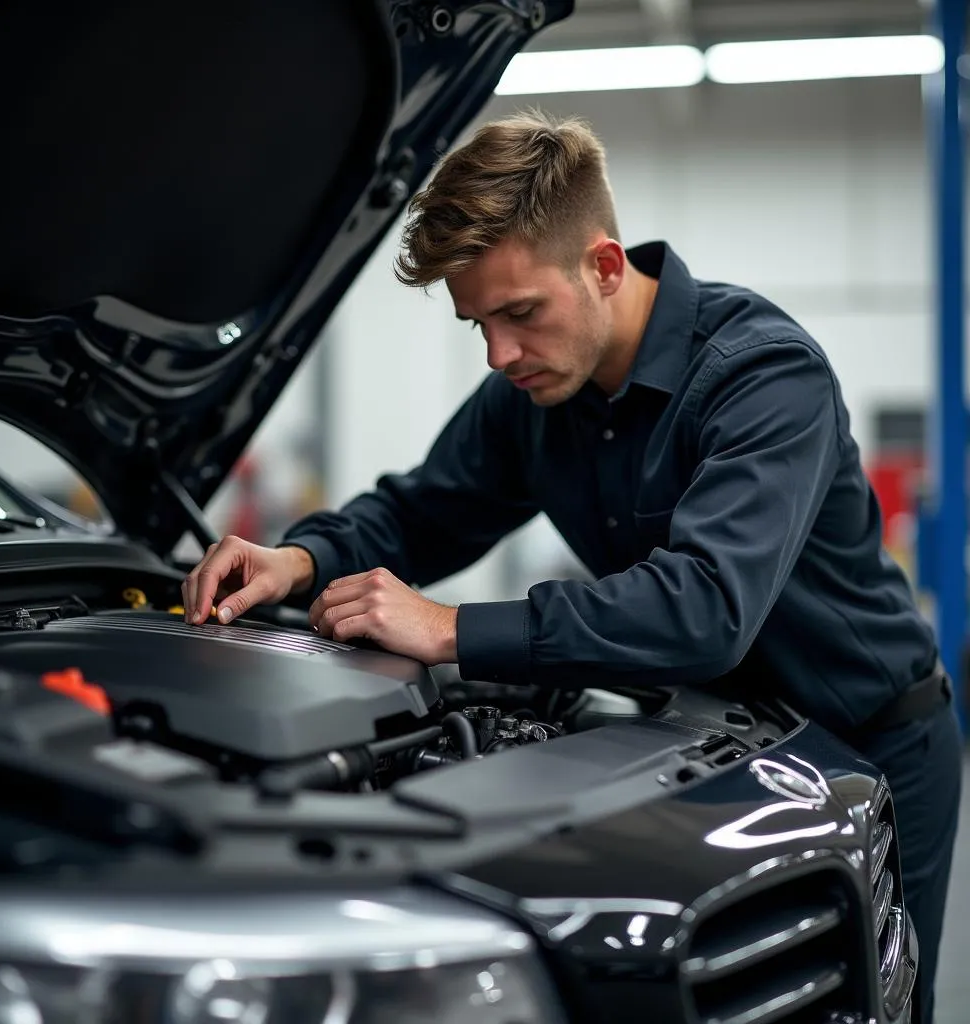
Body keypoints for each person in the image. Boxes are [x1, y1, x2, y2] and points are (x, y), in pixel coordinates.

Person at [181, 111, 961, 1020]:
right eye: (478, 323)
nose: (499, 354)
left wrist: (451, 630)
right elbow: (422, 511)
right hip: (707, 743)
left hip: (866, 747)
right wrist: (299, 559)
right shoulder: (534, 393)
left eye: (520, 313)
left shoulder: (763, 376)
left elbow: (702, 609)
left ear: (602, 265)